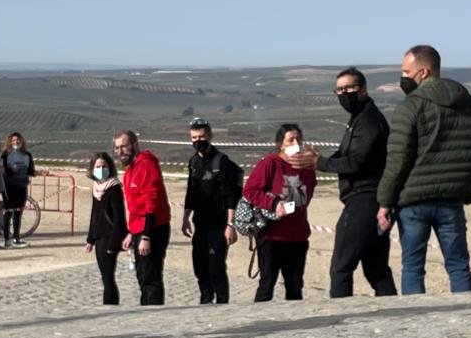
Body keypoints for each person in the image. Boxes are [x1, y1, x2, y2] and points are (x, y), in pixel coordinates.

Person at [377, 45, 471, 295]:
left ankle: (416, 321)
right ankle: (470, 317)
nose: (403, 77)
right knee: (459, 267)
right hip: (452, 200)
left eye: (406, 71)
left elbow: (397, 160)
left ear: (424, 72)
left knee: (412, 268)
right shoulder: (470, 104)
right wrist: (463, 179)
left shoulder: (410, 107)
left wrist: (384, 202)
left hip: (413, 202)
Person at [319, 68, 398, 298]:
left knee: (341, 266)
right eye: (339, 90)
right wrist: (317, 160)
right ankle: (391, 312)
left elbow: (356, 162)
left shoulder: (369, 121)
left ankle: (340, 317)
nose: (344, 94)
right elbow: (345, 154)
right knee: (376, 268)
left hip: (363, 199)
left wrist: (321, 163)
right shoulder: (359, 118)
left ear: (363, 89)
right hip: (370, 199)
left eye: (349, 88)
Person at [243, 124, 319, 302]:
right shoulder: (270, 163)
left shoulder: (307, 168)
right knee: (267, 285)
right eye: (291, 139)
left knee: (295, 287)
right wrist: (274, 203)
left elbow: (308, 194)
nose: (296, 142)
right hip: (272, 237)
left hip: (298, 236)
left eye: (299, 139)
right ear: (281, 144)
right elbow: (250, 191)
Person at [183, 118, 242, 304]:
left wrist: (230, 225)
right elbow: (190, 192)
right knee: (200, 267)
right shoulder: (193, 162)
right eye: (194, 137)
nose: (198, 140)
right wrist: (185, 218)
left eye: (201, 136)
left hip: (219, 224)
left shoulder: (221, 162)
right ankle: (205, 300)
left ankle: (222, 302)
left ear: (210, 136)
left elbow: (231, 195)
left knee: (216, 267)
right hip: (200, 224)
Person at [116, 131, 170, 306]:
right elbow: (135, 208)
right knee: (143, 277)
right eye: (117, 148)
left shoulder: (146, 166)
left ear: (134, 144)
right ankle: (145, 310)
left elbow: (151, 203)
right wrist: (132, 233)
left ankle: (153, 317)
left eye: (124, 146)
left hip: (153, 229)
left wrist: (146, 236)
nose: (120, 151)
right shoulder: (131, 169)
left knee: (150, 278)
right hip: (140, 229)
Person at [83, 153, 128, 305]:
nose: (101, 169)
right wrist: (90, 239)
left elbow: (119, 218)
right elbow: (94, 215)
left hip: (110, 238)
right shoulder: (96, 188)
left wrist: (114, 243)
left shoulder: (114, 188)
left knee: (108, 277)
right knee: (104, 276)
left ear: (110, 168)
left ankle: (110, 306)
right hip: (99, 237)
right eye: (98, 167)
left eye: (104, 166)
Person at [1, 132, 35, 248]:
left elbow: (30, 170)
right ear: (10, 142)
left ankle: (16, 237)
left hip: (21, 187)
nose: (16, 142)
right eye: (14, 140)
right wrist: (10, 171)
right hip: (9, 187)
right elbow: (1, 169)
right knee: (8, 213)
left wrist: (39, 172)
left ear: (22, 141)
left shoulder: (27, 155)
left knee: (18, 214)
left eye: (18, 140)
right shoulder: (6, 154)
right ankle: (6, 239)